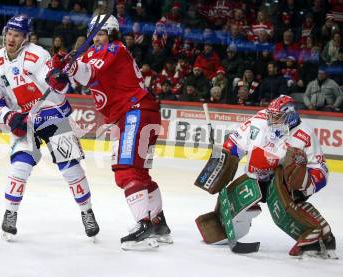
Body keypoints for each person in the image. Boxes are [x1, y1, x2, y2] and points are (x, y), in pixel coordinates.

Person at [48, 14, 172, 250]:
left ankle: (143, 226)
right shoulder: (94, 53)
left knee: (125, 171)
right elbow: (68, 80)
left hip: (133, 111)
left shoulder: (115, 49)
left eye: (101, 33)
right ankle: (158, 225)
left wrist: (70, 65)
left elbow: (87, 74)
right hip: (138, 112)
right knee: (140, 174)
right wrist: (57, 71)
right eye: (93, 34)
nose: (96, 39)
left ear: (112, 34)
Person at [0, 14, 99, 241]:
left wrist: (60, 80)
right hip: (23, 121)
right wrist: (9, 117)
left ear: (25, 38)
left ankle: (87, 212)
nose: (11, 38)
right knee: (20, 166)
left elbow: (58, 86)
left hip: (52, 114)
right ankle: (10, 213)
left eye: (17, 35)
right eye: (9, 34)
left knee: (70, 167)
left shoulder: (38, 55)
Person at [197, 95, 336, 259]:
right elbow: (235, 142)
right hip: (256, 175)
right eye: (270, 115)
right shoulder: (260, 120)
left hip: (282, 182)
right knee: (236, 196)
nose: (270, 119)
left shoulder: (305, 135)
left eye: (276, 117)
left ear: (290, 116)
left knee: (283, 210)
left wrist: (303, 183)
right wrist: (223, 159)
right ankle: (222, 223)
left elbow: (321, 169)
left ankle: (314, 235)